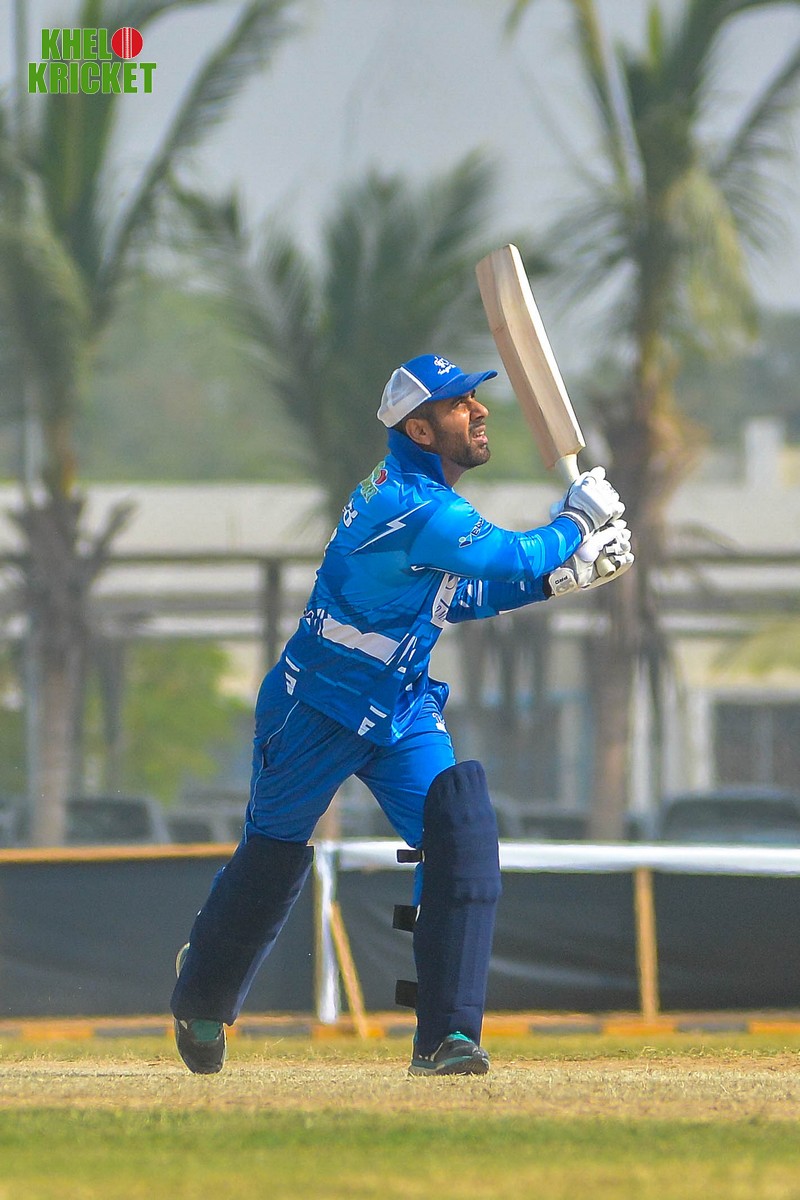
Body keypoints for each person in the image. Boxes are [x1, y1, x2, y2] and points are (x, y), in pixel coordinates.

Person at [171, 353, 633, 1077]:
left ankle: (447, 1037)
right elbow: (510, 555)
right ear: (419, 429)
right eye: (459, 405)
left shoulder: (427, 503)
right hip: (315, 706)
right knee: (273, 854)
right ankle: (202, 992)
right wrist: (576, 523)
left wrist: (559, 579)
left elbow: (459, 596)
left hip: (401, 704)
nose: (479, 411)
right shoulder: (415, 508)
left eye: (475, 398)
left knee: (461, 834)